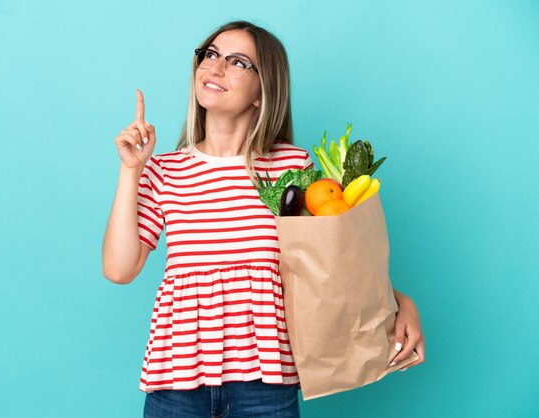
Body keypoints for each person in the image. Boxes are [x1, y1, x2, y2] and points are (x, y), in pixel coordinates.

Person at [102, 20, 425, 418]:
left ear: (262, 91)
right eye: (211, 54)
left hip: (266, 388)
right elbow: (119, 269)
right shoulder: (166, 170)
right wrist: (131, 169)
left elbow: (333, 264)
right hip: (176, 383)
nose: (215, 68)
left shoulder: (292, 166)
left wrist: (399, 301)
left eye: (238, 62)